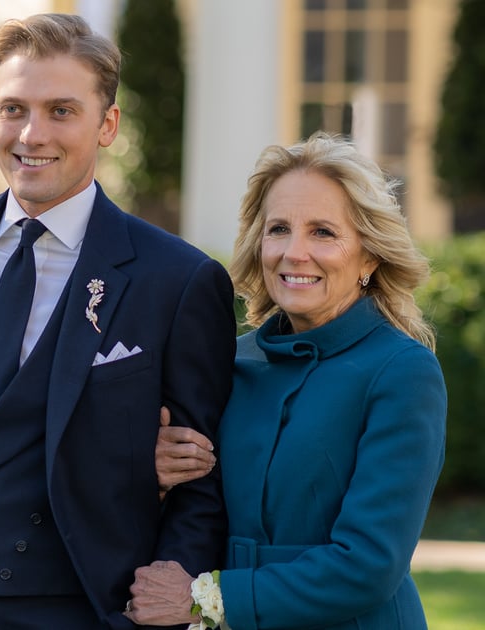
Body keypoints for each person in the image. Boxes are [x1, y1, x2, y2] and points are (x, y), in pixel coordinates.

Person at [0, 13, 235, 630]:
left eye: (61, 110)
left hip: (81, 608)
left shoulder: (176, 280)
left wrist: (165, 597)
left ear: (108, 125)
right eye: (12, 108)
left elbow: (204, 484)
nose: (31, 133)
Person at [126, 132, 447, 629]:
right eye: (279, 229)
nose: (294, 253)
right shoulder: (232, 361)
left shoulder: (403, 372)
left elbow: (368, 564)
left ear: (370, 256)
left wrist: (204, 597)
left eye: (323, 232)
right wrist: (161, 476)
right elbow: (203, 511)